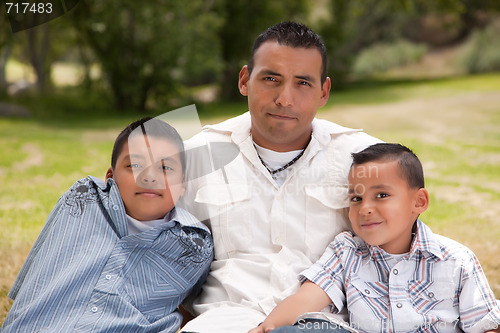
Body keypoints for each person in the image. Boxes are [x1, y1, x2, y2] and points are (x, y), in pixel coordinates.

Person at [179, 21, 381, 333]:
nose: (285, 99)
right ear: (245, 80)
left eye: (303, 83)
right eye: (271, 79)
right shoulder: (195, 156)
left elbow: (411, 250)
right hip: (223, 322)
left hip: (324, 324)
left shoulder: (365, 158)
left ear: (324, 91)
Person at [249, 143, 500, 333]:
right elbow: (306, 299)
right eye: (356, 199)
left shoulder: (456, 260)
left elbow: (485, 324)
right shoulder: (347, 251)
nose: (365, 208)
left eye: (381, 195)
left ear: (418, 201)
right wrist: (265, 327)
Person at [1, 117, 214, 333]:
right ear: (110, 176)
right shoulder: (84, 199)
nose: (150, 177)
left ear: (183, 185)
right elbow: (33, 281)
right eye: (135, 165)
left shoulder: (196, 244)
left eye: (166, 168)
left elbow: (197, 306)